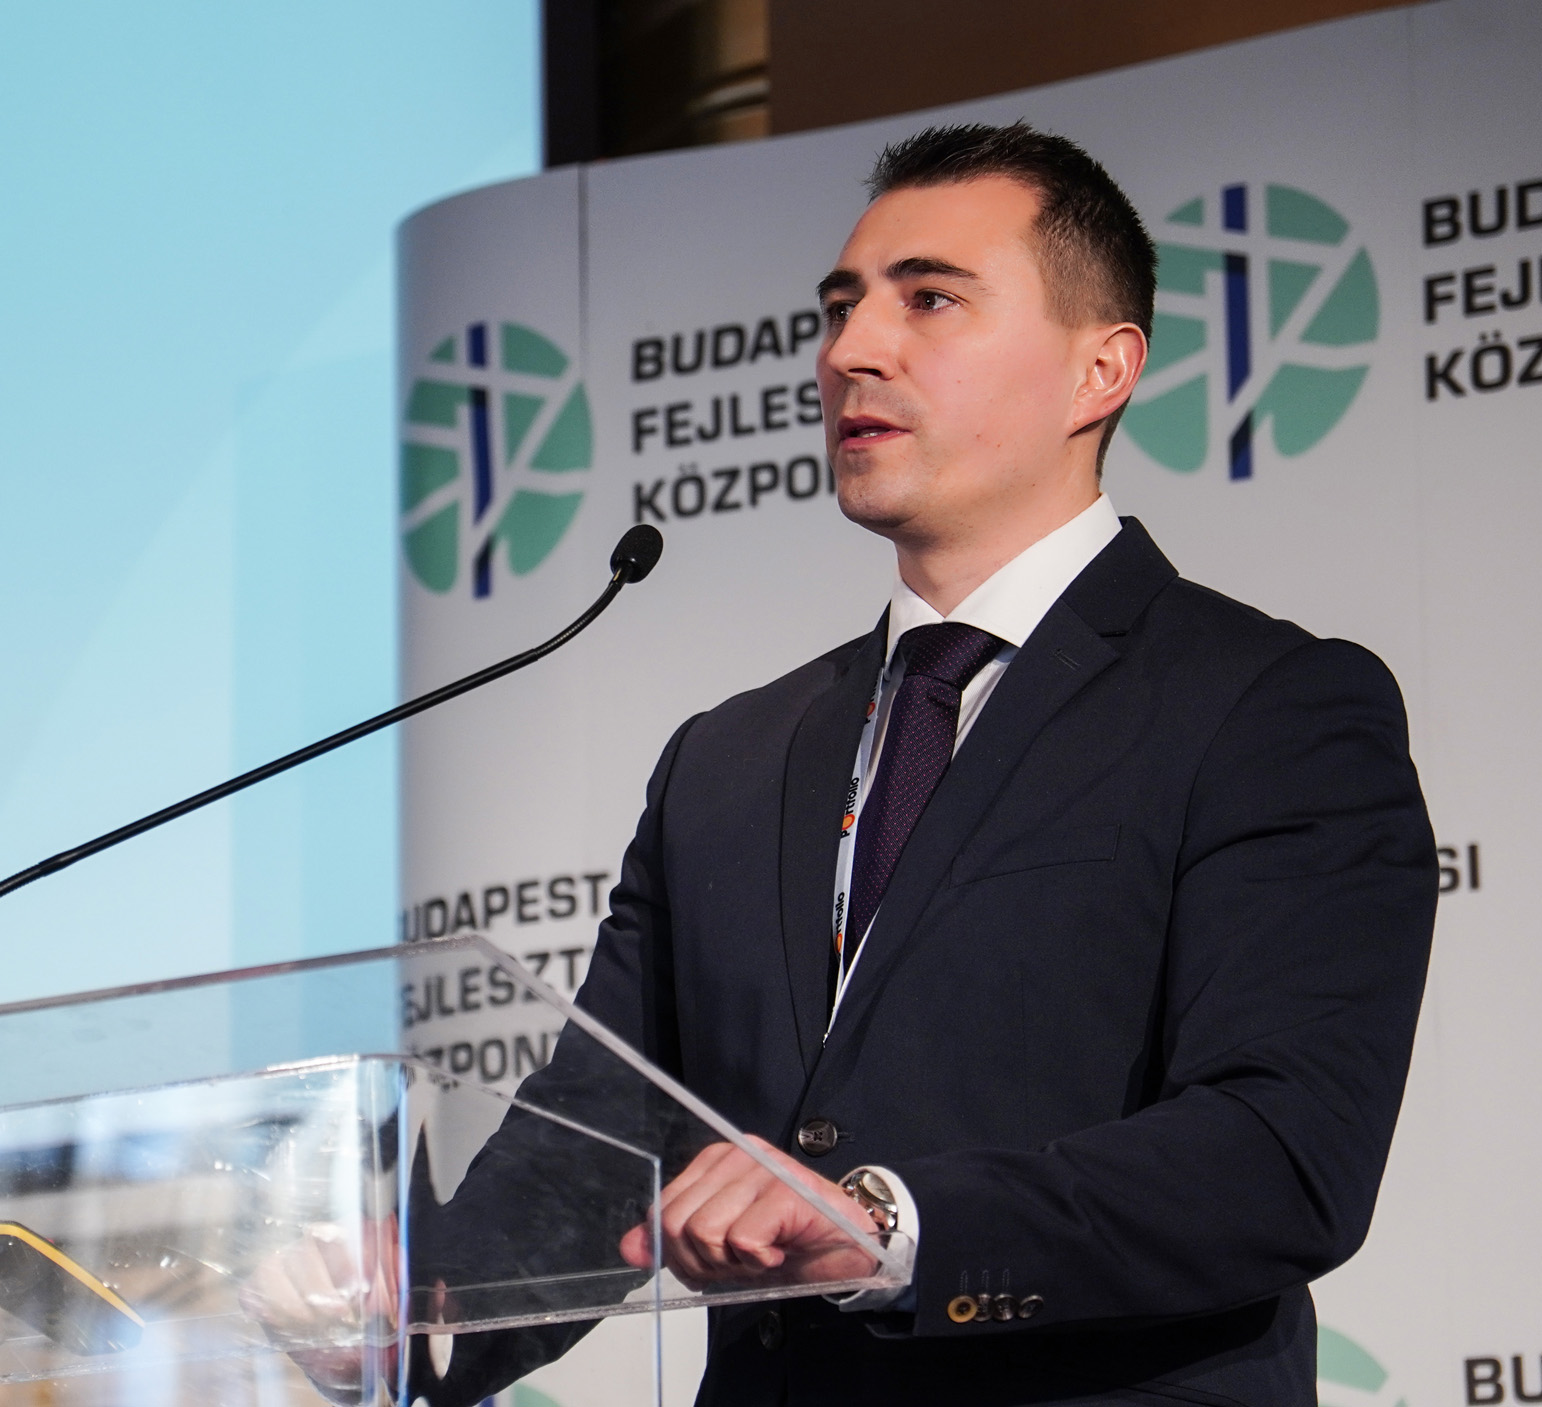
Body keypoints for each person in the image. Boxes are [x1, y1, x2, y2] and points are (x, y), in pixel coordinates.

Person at [435, 122, 1437, 1407]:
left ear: (1100, 370)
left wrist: (891, 1226)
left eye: (929, 300)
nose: (850, 349)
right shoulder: (725, 760)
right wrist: (410, 1305)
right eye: (839, 308)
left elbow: (1281, 1152)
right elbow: (597, 1143)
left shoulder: (1265, 707)